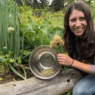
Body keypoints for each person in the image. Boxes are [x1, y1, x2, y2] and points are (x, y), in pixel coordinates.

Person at [57, 1, 95, 95]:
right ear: (67, 22)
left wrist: (72, 62)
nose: (78, 24)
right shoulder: (72, 36)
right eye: (73, 20)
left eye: (82, 18)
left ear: (88, 19)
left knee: (80, 92)